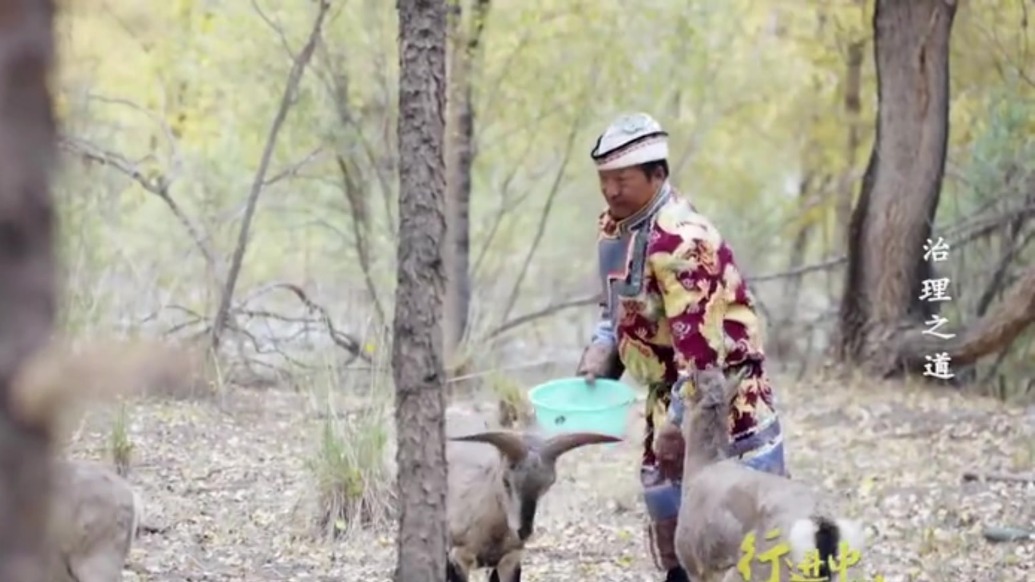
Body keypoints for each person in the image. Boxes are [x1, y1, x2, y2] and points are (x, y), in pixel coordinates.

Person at [575, 113, 787, 582]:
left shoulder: (685, 241)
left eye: (622, 180)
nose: (610, 191)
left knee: (741, 532)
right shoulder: (613, 228)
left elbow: (701, 359)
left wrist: (677, 424)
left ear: (657, 175)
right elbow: (614, 308)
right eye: (603, 180)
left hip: (723, 399)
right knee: (671, 519)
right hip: (665, 394)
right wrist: (602, 346)